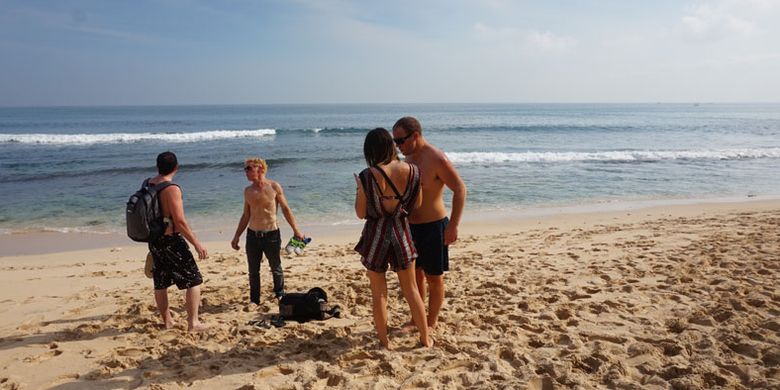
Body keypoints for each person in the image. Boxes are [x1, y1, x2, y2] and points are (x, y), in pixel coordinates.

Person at [354, 128, 432, 349]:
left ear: (370, 150)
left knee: (379, 292)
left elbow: (361, 214)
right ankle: (425, 337)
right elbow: (416, 205)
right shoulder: (413, 171)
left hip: (376, 235)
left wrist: (361, 191)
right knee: (411, 289)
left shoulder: (367, 175)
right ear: (390, 145)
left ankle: (384, 341)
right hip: (401, 232)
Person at [392, 117, 467, 330]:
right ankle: (417, 319)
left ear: (415, 135)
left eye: (401, 141)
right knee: (415, 278)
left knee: (435, 279)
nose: (398, 146)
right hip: (411, 228)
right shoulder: (406, 160)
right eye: (395, 142)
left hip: (434, 227)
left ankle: (431, 322)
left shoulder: (436, 158)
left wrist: (453, 225)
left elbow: (460, 189)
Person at [147, 151, 209, 332]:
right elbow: (180, 221)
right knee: (194, 280)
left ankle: (167, 322)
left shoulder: (149, 183)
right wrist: (196, 243)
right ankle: (193, 323)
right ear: (176, 167)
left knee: (161, 281)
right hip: (171, 240)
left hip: (155, 239)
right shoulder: (171, 188)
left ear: (157, 166)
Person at [231, 157, 304, 305]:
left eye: (248, 168)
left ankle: (279, 294)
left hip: (271, 235)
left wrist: (296, 230)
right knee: (253, 271)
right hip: (252, 235)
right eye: (245, 169)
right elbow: (246, 215)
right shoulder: (248, 191)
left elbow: (285, 209)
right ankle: (255, 300)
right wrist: (237, 235)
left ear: (260, 169)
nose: (245, 172)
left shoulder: (274, 187)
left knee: (275, 267)